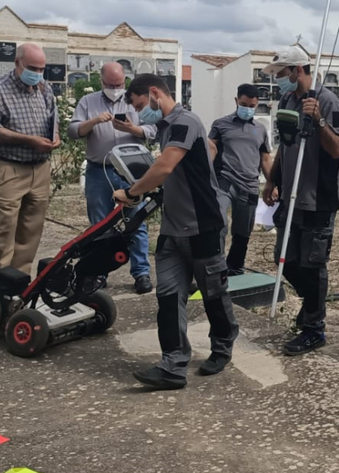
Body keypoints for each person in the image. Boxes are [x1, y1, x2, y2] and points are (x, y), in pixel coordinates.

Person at [114, 73, 238, 390]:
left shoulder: (185, 121)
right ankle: (173, 364)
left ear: (155, 93)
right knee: (169, 297)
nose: (142, 112)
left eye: (142, 105)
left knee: (213, 294)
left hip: (203, 227)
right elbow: (207, 149)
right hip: (172, 228)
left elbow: (165, 166)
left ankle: (223, 345)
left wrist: (132, 192)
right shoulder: (167, 129)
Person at [261, 46, 339, 356]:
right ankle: (312, 307)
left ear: (298, 70)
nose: (279, 79)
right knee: (286, 260)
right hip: (291, 196)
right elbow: (285, 143)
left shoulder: (327, 101)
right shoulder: (287, 100)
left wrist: (319, 120)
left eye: (282, 73)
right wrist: (272, 178)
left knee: (313, 263)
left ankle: (314, 327)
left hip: (318, 197)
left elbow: (337, 148)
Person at [0, 43, 61, 284]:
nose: (38, 73)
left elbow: (53, 120)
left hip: (40, 168)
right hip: (11, 166)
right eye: (32, 67)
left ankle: (19, 282)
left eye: (42, 68)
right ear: (17, 63)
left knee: (31, 230)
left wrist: (55, 138)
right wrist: (28, 140)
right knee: (7, 228)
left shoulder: (44, 89)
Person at [69, 62, 156, 294]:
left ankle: (141, 273)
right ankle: (99, 272)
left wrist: (133, 130)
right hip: (99, 170)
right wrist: (94, 121)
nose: (115, 88)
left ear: (125, 81)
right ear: (101, 81)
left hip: (130, 171)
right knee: (99, 225)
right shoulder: (88, 102)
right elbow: (73, 131)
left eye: (119, 84)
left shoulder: (136, 101)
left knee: (136, 221)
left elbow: (154, 130)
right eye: (110, 84)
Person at [208, 83, 272, 276]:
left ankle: (235, 266)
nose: (247, 109)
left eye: (251, 106)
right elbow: (210, 148)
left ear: (257, 104)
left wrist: (272, 183)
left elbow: (265, 159)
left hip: (250, 184)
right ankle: (215, 266)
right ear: (236, 101)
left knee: (242, 231)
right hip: (224, 181)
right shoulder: (220, 124)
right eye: (244, 104)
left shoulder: (260, 130)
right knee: (218, 222)